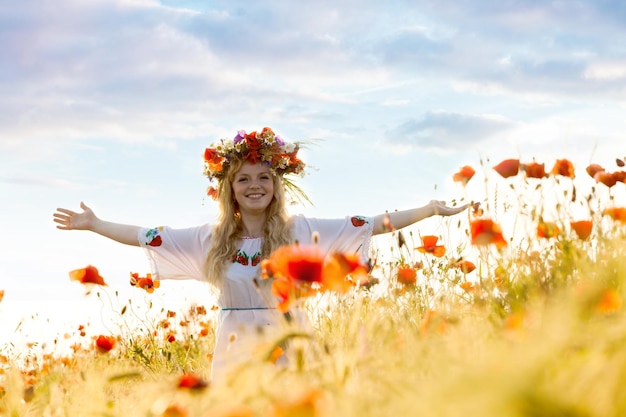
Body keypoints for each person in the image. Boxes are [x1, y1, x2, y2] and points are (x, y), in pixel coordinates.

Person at [53, 127, 467, 382]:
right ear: (229, 190)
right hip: (233, 348)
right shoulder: (211, 240)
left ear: (275, 185)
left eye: (264, 177)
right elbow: (147, 235)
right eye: (244, 179)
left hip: (290, 343)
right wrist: (95, 224)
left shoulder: (299, 231)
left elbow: (369, 223)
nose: (255, 185)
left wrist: (429, 210)